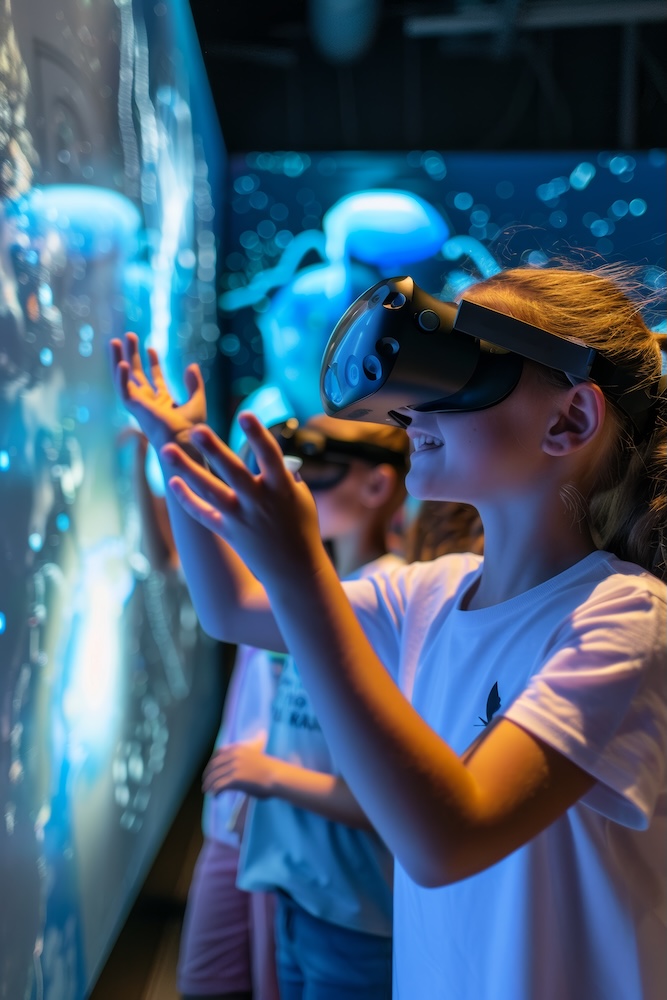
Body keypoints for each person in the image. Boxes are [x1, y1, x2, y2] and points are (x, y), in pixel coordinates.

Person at [111, 262, 667, 1000]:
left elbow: (448, 839)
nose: (406, 414)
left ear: (567, 420)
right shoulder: (428, 593)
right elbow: (232, 609)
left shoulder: (625, 617)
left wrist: (301, 575)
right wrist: (176, 448)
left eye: (461, 372)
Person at [199, 413, 408, 1000]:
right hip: (300, 886)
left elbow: (400, 795)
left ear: (376, 486)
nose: (299, 492)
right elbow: (227, 608)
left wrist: (273, 775)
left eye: (315, 478)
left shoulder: (387, 599)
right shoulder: (335, 594)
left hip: (353, 906)